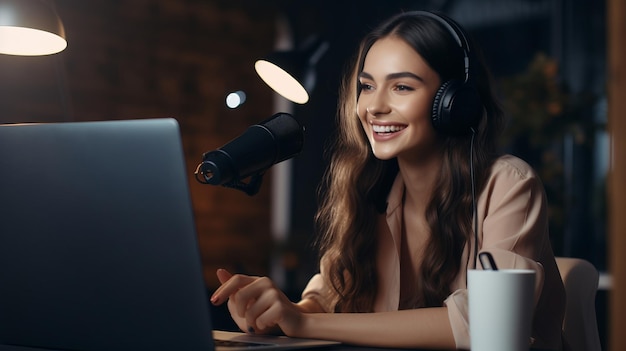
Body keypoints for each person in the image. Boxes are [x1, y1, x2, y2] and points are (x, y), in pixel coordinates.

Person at [211, 10, 566, 350]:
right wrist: (280, 312)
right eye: (367, 86)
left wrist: (303, 324)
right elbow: (327, 297)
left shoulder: (508, 184)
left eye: (402, 88)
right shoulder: (371, 189)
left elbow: (485, 322)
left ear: (454, 103)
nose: (374, 106)